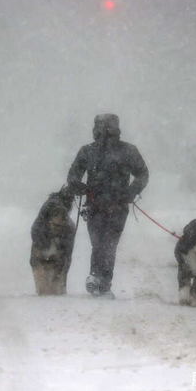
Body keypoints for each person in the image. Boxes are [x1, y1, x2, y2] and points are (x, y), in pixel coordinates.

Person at [67, 114, 149, 298]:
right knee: (101, 243)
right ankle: (100, 281)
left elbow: (142, 174)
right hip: (96, 205)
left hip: (117, 205)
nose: (105, 132)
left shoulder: (125, 151)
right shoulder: (90, 151)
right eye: (102, 127)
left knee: (106, 243)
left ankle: (98, 279)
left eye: (108, 127)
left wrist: (131, 191)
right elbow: (73, 175)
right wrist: (76, 184)